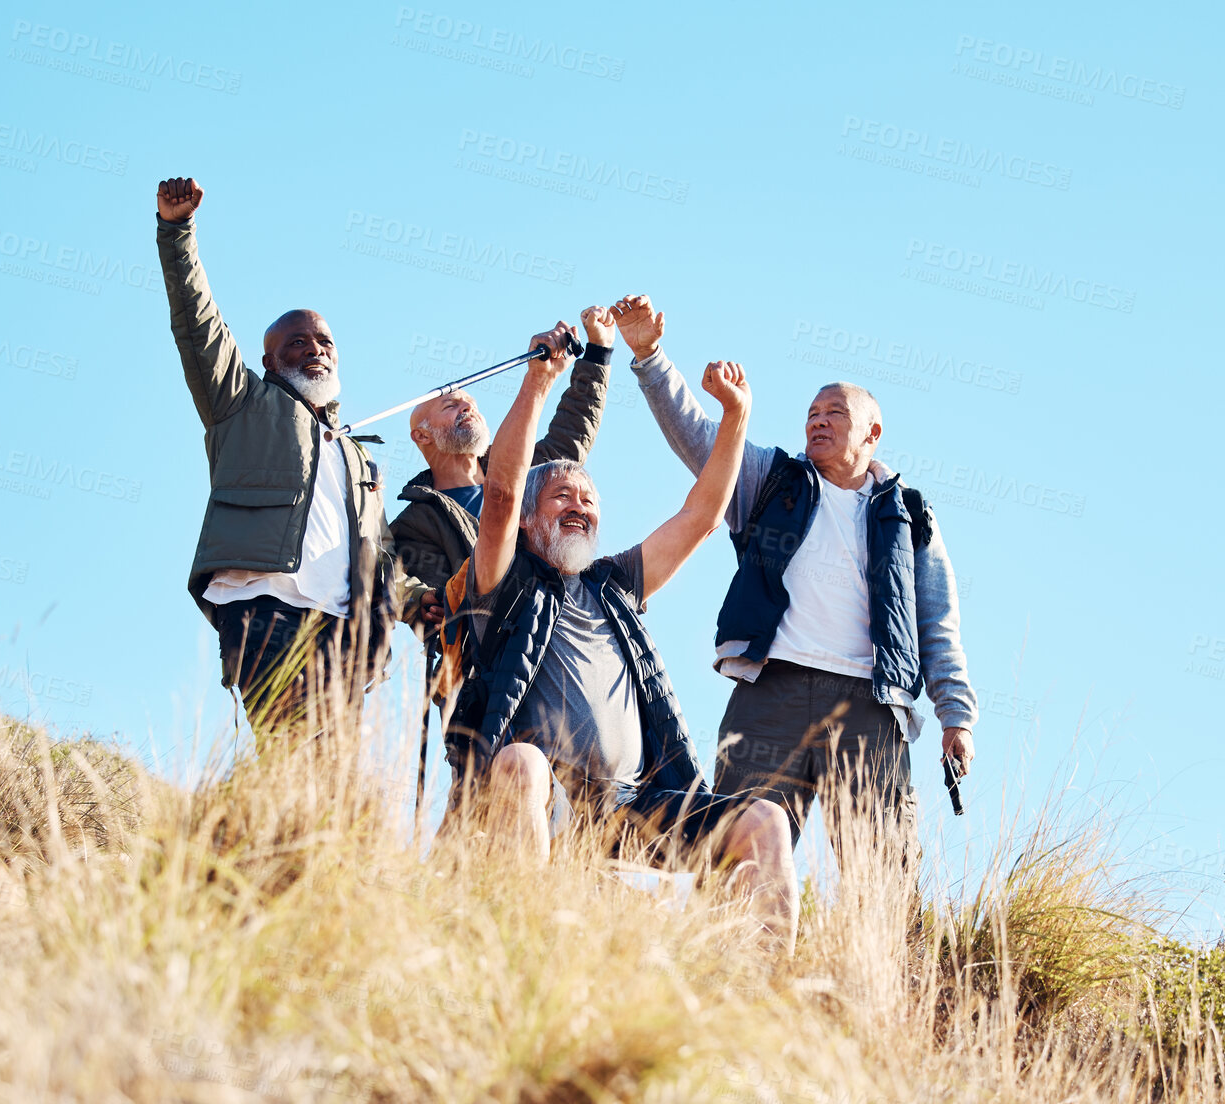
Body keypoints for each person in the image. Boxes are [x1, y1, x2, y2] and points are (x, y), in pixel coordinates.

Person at [442, 328, 797, 949]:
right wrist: (538, 381)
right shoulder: (503, 582)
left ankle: (762, 988)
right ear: (529, 521)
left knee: (766, 820)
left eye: (590, 498)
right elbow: (498, 493)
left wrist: (735, 415)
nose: (580, 506)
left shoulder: (617, 585)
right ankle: (530, 956)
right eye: (561, 497)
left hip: (638, 805)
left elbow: (702, 517)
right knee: (523, 762)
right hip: (545, 794)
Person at [610, 294, 978, 865]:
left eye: (835, 413)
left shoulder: (907, 515)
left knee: (882, 873)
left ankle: (872, 958)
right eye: (811, 412)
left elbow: (936, 622)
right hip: (770, 695)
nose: (818, 420)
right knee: (738, 857)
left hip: (871, 706)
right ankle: (735, 955)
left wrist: (956, 716)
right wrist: (650, 355)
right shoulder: (772, 481)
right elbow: (700, 438)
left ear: (872, 433)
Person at [155, 177, 417, 734]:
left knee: (330, 782)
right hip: (262, 604)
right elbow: (196, 325)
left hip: (342, 627)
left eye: (323, 341)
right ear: (270, 361)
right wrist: (178, 231)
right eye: (297, 342)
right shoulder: (243, 402)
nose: (315, 348)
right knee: (293, 748)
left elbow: (381, 553)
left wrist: (422, 604)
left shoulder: (357, 458)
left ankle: (253, 822)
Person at [389, 306, 617, 598]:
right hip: (501, 638)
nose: (467, 407)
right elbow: (441, 609)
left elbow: (574, 429)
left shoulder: (526, 469)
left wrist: (598, 351)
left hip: (564, 620)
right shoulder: (415, 523)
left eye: (470, 403)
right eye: (451, 405)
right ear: (422, 435)